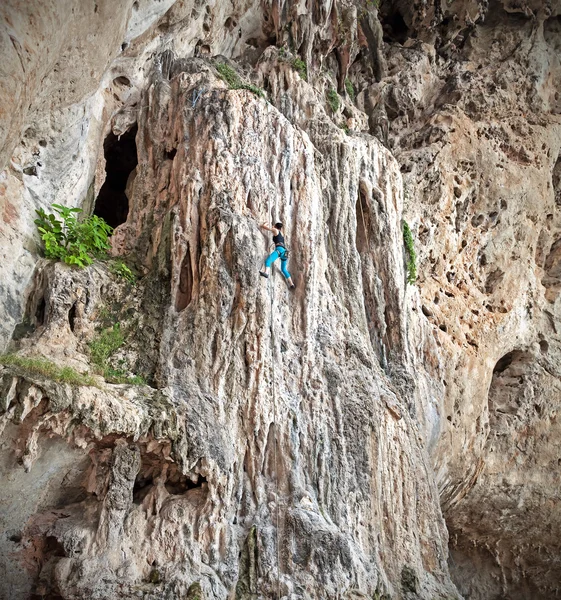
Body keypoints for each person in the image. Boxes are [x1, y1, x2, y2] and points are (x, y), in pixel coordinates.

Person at [259, 222, 295, 289]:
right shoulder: (282, 233)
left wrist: (265, 223)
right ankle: (291, 284)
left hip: (279, 250)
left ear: (275, 226)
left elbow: (265, 228)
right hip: (285, 252)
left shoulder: (275, 230)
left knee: (268, 260)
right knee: (284, 269)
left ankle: (266, 273)